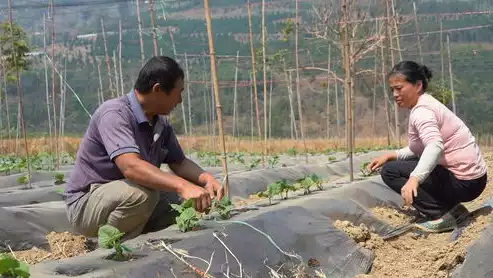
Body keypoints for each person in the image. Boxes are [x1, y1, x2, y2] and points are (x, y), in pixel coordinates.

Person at [65, 56, 224, 240]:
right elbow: (131, 167)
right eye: (178, 92)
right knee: (142, 196)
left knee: (191, 199)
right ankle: (113, 248)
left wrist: (206, 179)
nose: (180, 100)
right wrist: (182, 186)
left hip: (124, 195)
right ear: (157, 90)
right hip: (87, 203)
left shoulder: (160, 123)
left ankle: (146, 237)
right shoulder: (114, 114)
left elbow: (178, 162)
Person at [368, 61, 487, 233]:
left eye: (399, 88)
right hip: (473, 180)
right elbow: (419, 148)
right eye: (392, 89)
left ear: (418, 85)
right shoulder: (426, 104)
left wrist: (414, 179)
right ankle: (454, 210)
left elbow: (434, 146)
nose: (395, 94)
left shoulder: (422, 111)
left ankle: (440, 215)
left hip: (464, 182)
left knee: (390, 171)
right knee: (407, 162)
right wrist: (391, 155)